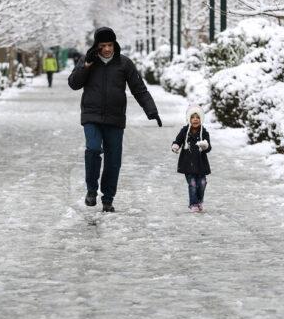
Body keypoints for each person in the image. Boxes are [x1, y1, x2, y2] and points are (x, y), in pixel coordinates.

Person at [68, 27, 161, 212]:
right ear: (97, 46)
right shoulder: (88, 61)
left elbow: (139, 89)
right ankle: (91, 191)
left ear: (114, 44)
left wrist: (151, 111)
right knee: (93, 149)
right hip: (91, 116)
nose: (107, 49)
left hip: (115, 118)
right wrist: (85, 65)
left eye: (110, 45)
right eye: (103, 45)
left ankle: (108, 199)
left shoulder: (124, 63)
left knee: (113, 160)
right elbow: (74, 84)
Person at [171, 105, 212, 212]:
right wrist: (175, 146)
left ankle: (199, 201)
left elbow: (208, 147)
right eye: (193, 117)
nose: (195, 119)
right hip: (187, 163)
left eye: (197, 117)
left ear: (200, 119)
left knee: (202, 183)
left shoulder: (204, 132)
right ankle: (193, 204)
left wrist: (205, 146)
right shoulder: (185, 131)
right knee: (192, 184)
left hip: (201, 163)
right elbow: (178, 141)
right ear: (189, 119)